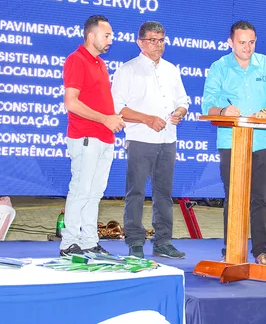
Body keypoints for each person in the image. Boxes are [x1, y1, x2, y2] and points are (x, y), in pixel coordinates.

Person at [202, 20, 266, 267]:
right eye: (241, 42)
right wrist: (224, 110)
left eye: (251, 42)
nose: (247, 47)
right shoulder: (219, 67)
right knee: (234, 197)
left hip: (263, 140)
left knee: (260, 197)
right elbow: (208, 103)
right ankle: (231, 249)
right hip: (232, 141)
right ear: (230, 42)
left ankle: (261, 251)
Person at [112, 21, 189, 259]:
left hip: (168, 140)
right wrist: (147, 119)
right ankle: (135, 241)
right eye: (152, 40)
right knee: (135, 192)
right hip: (140, 140)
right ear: (140, 42)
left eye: (161, 40)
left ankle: (163, 241)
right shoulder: (127, 70)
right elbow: (118, 108)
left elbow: (183, 99)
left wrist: (180, 112)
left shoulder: (171, 69)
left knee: (164, 194)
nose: (158, 45)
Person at [60, 14, 125, 257]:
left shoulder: (100, 63)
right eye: (106, 35)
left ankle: (88, 241)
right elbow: (71, 103)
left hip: (104, 137)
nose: (111, 40)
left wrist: (112, 118)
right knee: (80, 190)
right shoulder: (77, 60)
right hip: (86, 136)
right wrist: (105, 119)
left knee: (95, 192)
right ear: (91, 36)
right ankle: (69, 243)